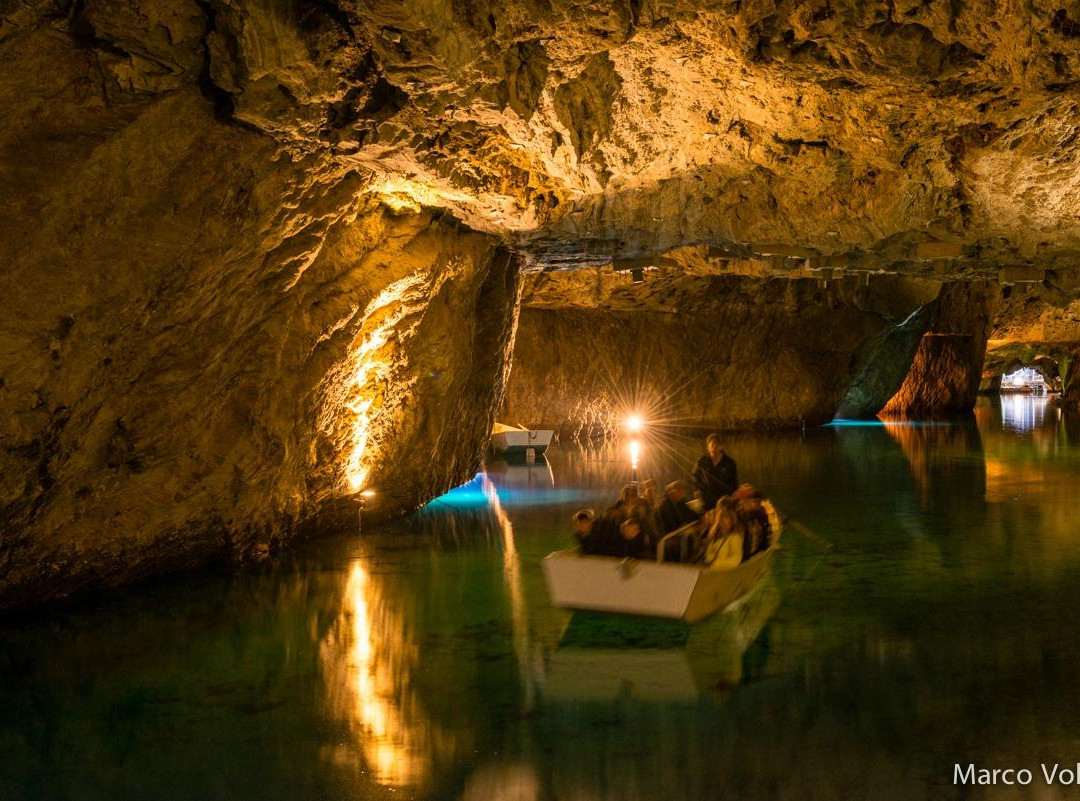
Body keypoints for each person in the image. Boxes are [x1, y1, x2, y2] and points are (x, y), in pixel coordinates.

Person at [692, 433, 738, 510]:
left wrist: (733, 495)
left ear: (721, 446)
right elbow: (695, 476)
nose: (715, 446)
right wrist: (697, 490)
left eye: (717, 443)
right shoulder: (702, 461)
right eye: (712, 444)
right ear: (708, 447)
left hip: (724, 499)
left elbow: (734, 481)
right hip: (706, 498)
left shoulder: (729, 462)